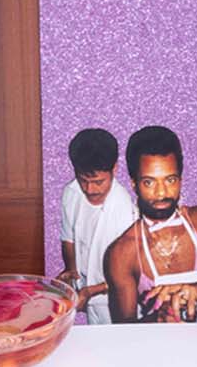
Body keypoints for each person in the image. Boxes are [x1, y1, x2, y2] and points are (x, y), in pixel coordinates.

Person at [104, 125, 197, 323]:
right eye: (149, 182)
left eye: (170, 180)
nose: (161, 193)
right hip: (154, 350)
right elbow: (123, 330)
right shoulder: (122, 252)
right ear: (134, 184)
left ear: (181, 180)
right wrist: (157, 319)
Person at [57, 128, 138, 326]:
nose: (90, 189)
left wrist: (90, 291)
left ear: (115, 170)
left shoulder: (124, 210)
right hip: (87, 293)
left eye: (98, 182)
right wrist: (71, 271)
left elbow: (133, 273)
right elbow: (68, 237)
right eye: (84, 180)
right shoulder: (71, 192)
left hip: (117, 298)